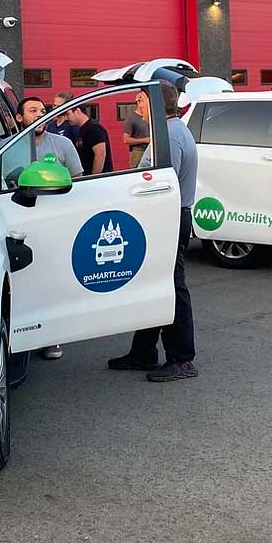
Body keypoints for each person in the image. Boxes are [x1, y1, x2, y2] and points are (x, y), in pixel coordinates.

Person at [109, 82, 198, 382]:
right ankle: (143, 352)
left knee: (172, 286)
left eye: (142, 100)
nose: (138, 107)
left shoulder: (170, 136)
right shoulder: (167, 132)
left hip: (169, 219)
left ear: (157, 106)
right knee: (153, 283)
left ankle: (182, 359)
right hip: (164, 218)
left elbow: (161, 185)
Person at [12, 96, 83, 361]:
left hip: (56, 222)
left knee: (53, 278)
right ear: (19, 118)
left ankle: (52, 337)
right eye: (32, 111)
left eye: (43, 111)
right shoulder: (6, 147)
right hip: (19, 220)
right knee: (23, 280)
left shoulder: (62, 144)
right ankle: (22, 335)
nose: (39, 115)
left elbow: (78, 179)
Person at [68, 102, 112, 176]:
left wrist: (93, 177)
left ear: (77, 111)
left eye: (68, 114)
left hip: (98, 181)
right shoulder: (82, 129)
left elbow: (100, 155)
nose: (66, 118)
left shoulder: (93, 128)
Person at [122, 91, 151, 168]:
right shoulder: (131, 118)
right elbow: (126, 139)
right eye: (144, 101)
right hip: (138, 152)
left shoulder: (150, 117)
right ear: (138, 102)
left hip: (150, 150)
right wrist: (145, 140)